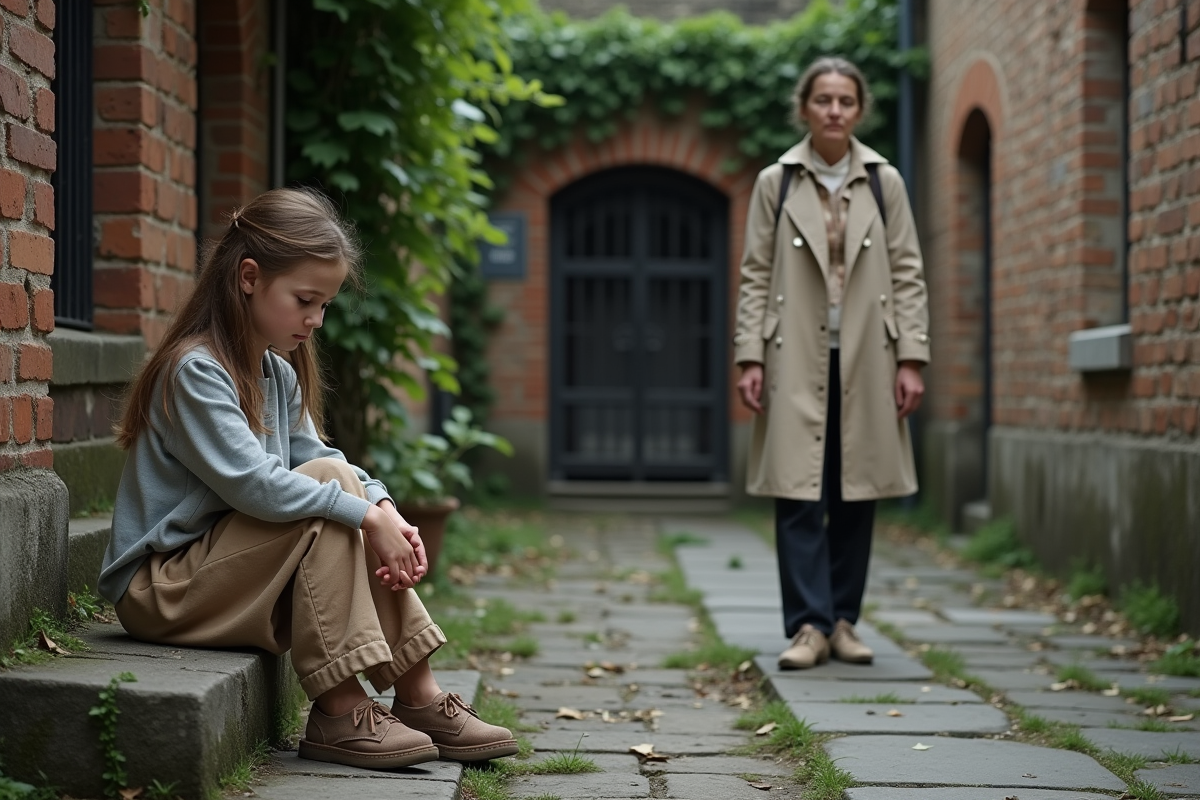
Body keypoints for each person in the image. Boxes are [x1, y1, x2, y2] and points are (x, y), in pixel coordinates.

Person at [98, 188, 518, 769]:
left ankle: (417, 694)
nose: (315, 320)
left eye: (325, 305)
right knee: (332, 491)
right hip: (162, 590)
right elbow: (256, 486)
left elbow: (324, 458)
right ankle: (339, 707)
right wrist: (366, 515)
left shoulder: (275, 372)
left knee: (335, 479)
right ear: (249, 277)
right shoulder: (195, 371)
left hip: (229, 572)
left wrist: (384, 506)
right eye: (304, 300)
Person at [733, 57, 931, 670]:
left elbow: (908, 272)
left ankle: (844, 621)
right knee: (796, 490)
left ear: (859, 109)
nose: (835, 111)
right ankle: (808, 629)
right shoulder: (778, 182)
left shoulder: (884, 182)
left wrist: (912, 358)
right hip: (793, 351)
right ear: (805, 108)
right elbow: (755, 273)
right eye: (824, 100)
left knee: (857, 489)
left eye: (846, 100)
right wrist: (749, 355)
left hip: (870, 354)